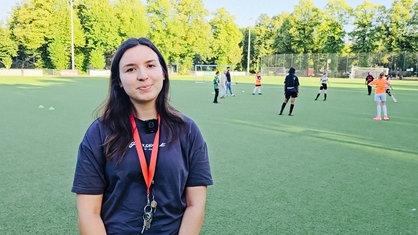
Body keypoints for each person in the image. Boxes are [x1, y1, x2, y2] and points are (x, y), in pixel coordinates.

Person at [71, 37, 213, 234]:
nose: (142, 75)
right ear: (119, 81)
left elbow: (195, 204)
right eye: (130, 69)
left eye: (150, 65)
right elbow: (89, 213)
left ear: (163, 72)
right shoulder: (99, 132)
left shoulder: (187, 130)